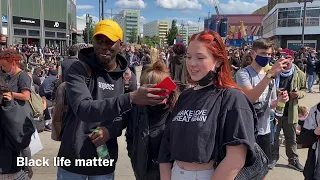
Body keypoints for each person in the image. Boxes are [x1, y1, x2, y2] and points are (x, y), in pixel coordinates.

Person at [57, 19, 167, 180]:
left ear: (120, 45)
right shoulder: (78, 69)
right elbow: (83, 108)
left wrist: (111, 130)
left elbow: (128, 115)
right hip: (73, 158)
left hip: (104, 160)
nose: (104, 46)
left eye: (110, 42)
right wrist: (130, 98)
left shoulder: (127, 76)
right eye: (99, 41)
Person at [159, 31, 256, 180]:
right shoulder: (185, 96)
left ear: (217, 61)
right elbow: (166, 147)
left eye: (200, 57)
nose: (192, 63)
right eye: (189, 57)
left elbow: (235, 159)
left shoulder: (232, 98)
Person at [236, 38, 289, 170]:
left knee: (262, 169)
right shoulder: (243, 73)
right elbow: (251, 97)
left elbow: (269, 104)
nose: (267, 57)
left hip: (265, 129)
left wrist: (280, 100)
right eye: (263, 53)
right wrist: (270, 74)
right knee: (246, 170)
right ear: (253, 54)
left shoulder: (269, 76)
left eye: (270, 54)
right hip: (247, 130)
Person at [0, 70, 35, 180]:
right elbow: (21, 139)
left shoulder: (22, 76)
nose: (3, 67)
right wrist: (9, 106)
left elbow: (26, 96)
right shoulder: (8, 111)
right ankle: (27, 166)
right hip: (7, 169)